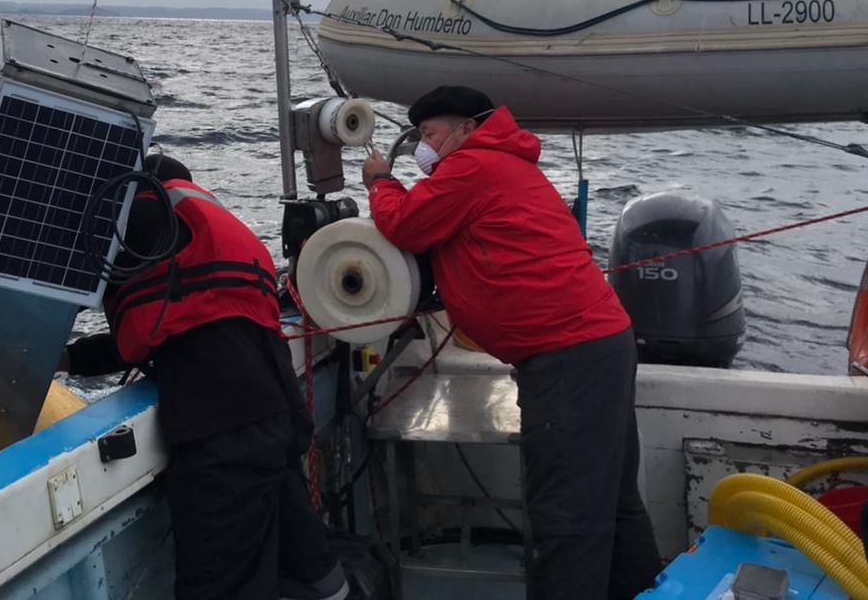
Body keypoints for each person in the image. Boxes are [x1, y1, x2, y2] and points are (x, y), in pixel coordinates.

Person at [360, 85, 662, 600]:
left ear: (467, 129)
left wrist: (381, 181)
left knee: (565, 515)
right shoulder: (501, 164)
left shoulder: (473, 166)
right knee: (610, 500)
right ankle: (649, 592)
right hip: (597, 346)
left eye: (429, 135)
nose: (422, 149)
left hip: (568, 356)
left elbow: (406, 225)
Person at [62, 153, 348, 600]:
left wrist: (57, 357)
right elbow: (181, 320)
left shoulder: (143, 219)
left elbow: (139, 330)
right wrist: (73, 359)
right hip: (278, 418)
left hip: (222, 433)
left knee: (215, 582)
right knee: (306, 557)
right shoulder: (214, 232)